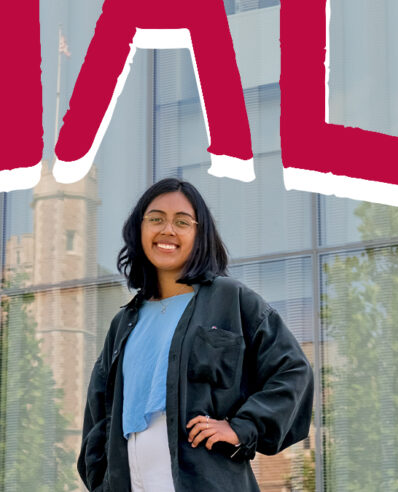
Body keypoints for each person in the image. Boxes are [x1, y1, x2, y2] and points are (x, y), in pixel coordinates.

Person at [78, 178, 314, 492]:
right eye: (156, 219)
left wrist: (242, 428)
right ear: (139, 229)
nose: (167, 230)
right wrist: (101, 480)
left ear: (199, 234)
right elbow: (99, 413)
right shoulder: (124, 322)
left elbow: (292, 371)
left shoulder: (230, 300)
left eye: (182, 222)